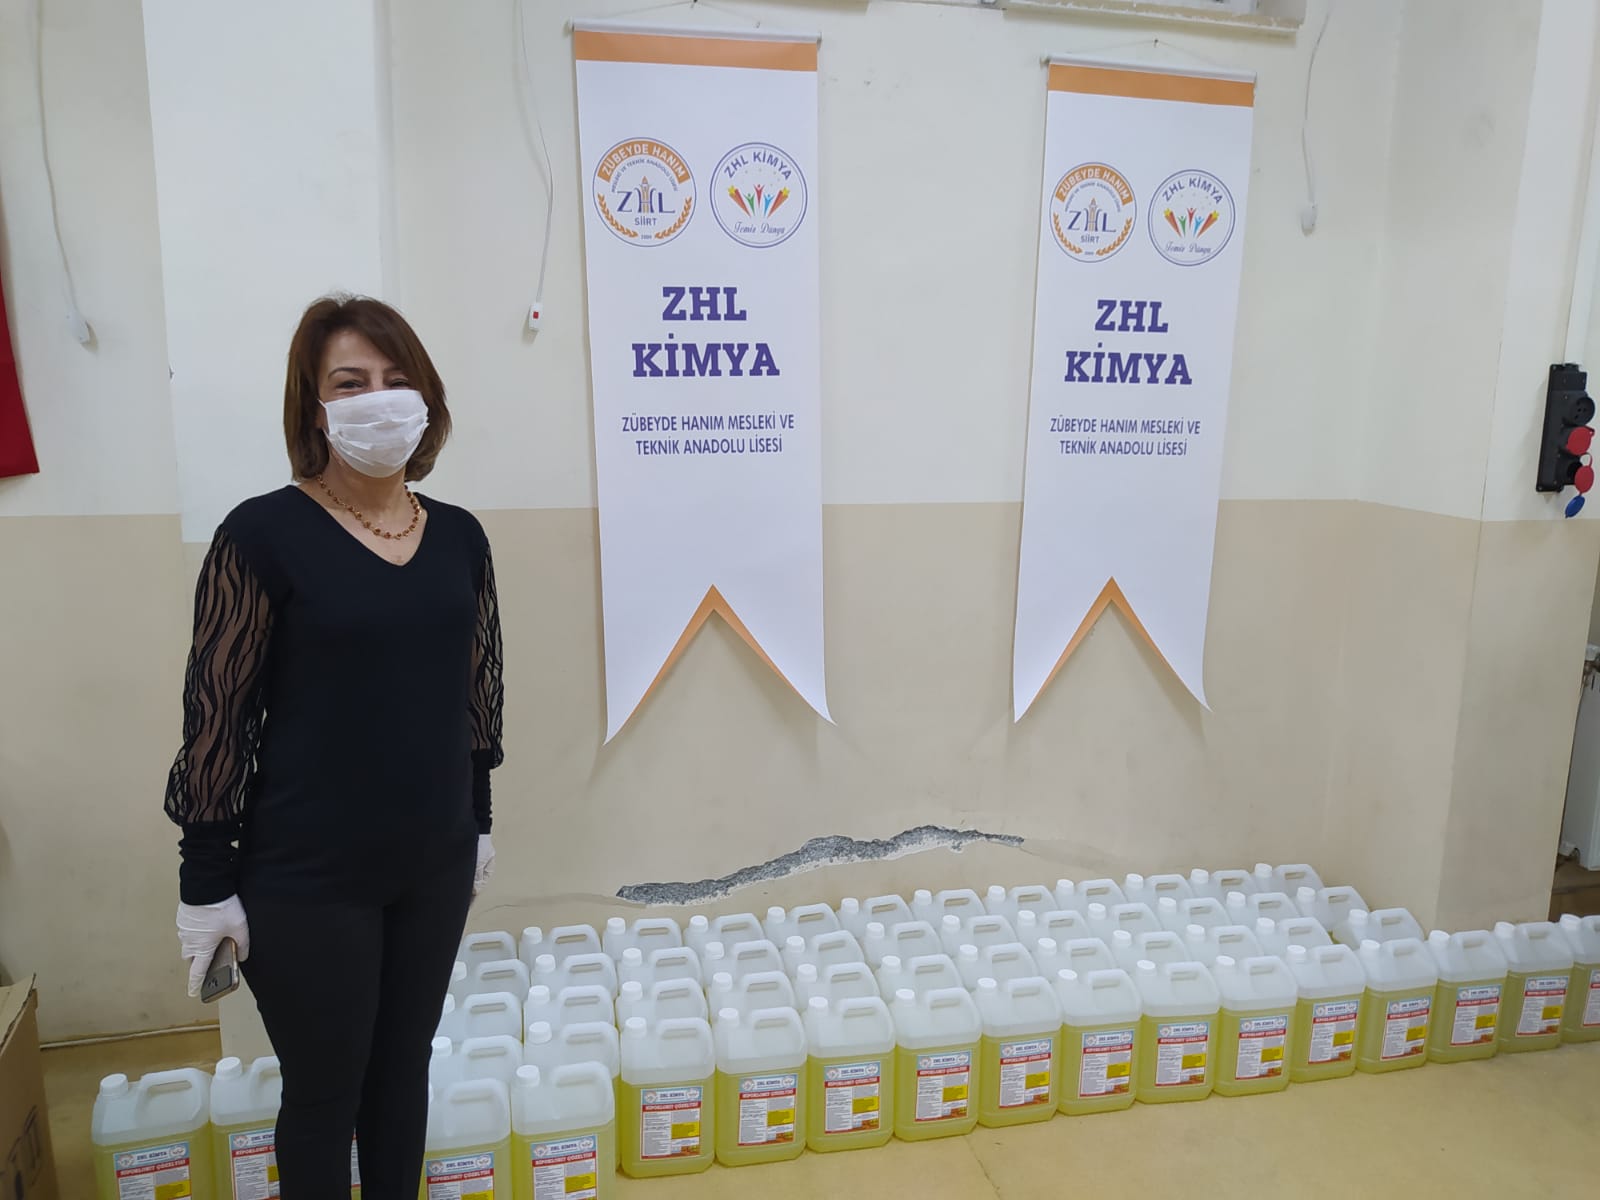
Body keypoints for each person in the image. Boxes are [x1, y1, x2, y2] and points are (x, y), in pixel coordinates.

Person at [163, 295, 505, 1196]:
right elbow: (218, 718)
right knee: (325, 1091)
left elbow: (476, 695)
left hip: (432, 862)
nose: (378, 399)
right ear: (315, 409)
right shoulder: (260, 536)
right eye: (350, 383)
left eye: (397, 380)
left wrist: (478, 819)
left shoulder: (460, 536)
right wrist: (206, 880)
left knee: (401, 1073)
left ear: (426, 398)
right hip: (307, 875)